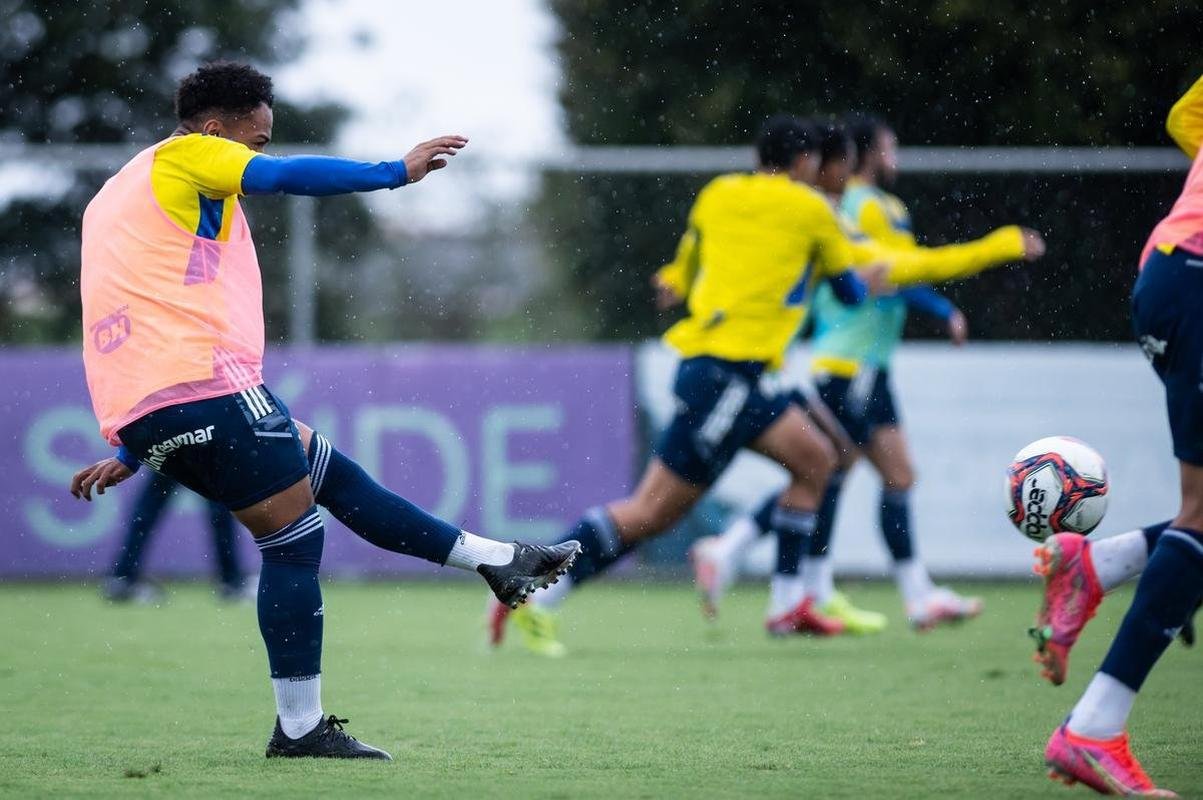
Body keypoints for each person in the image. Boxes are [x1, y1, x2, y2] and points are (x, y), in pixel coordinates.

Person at [68, 61, 579, 760]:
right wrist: (394, 172)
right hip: (205, 382)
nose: (258, 155)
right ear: (213, 129)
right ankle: (300, 728)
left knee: (330, 474)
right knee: (292, 540)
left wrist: (136, 445)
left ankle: (499, 560)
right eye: (253, 140)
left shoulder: (116, 192)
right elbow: (285, 177)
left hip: (148, 400)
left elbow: (137, 304)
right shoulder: (191, 155)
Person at [692, 119, 1043, 632]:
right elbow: (889, 273)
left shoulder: (867, 207)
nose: (893, 158)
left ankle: (877, 591)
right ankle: (753, 558)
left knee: (870, 471)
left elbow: (893, 268)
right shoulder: (840, 209)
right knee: (826, 463)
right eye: (888, 148)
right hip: (846, 362)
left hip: (869, 364)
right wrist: (986, 259)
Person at [1031, 73, 1203, 796]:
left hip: (1174, 268)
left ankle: (1098, 566)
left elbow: (1186, 113)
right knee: (1202, 514)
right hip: (1196, 275)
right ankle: (1092, 729)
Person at [104, 471, 251, 604]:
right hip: (202, 452)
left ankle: (122, 577)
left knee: (149, 506)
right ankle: (231, 582)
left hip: (172, 451)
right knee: (219, 508)